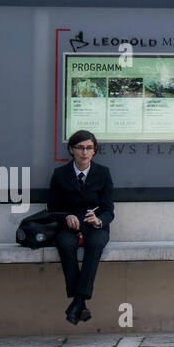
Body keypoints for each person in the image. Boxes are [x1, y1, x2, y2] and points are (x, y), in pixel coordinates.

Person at [49, 129, 114, 325]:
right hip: (68, 226)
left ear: (94, 151)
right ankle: (80, 303)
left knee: (95, 246)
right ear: (71, 150)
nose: (84, 152)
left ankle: (78, 301)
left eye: (89, 148)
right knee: (64, 244)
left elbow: (109, 209)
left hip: (95, 226)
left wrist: (98, 219)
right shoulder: (60, 175)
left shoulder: (103, 173)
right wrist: (66, 217)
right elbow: (52, 209)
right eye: (80, 148)